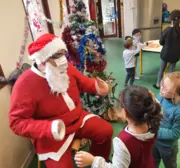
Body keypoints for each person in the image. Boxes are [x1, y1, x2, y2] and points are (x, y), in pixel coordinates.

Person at [8, 33, 113, 168]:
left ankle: (97, 163)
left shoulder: (65, 67)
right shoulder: (24, 84)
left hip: (78, 119)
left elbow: (82, 82)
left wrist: (97, 88)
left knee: (105, 131)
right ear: (42, 60)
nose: (63, 59)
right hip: (52, 134)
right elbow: (16, 122)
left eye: (64, 54)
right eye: (57, 56)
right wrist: (49, 128)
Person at [74, 85, 163, 168]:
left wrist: (93, 160)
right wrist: (152, 100)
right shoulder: (153, 119)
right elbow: (157, 108)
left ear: (124, 113)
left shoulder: (123, 142)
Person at [153, 72, 180, 168]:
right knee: (153, 162)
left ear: (176, 95)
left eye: (165, 88)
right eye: (162, 83)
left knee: (170, 165)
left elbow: (175, 133)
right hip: (154, 141)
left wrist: (154, 130)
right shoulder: (162, 96)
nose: (161, 88)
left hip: (167, 147)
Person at [153, 10, 180, 89]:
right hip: (175, 54)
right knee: (170, 71)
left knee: (161, 70)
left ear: (171, 19)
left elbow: (161, 42)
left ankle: (158, 84)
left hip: (165, 53)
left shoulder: (166, 30)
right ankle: (167, 86)